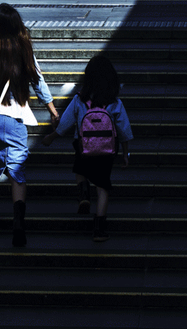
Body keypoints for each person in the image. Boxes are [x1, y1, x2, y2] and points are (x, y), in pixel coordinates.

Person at [0, 2, 59, 247]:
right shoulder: (24, 52)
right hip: (18, 116)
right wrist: (53, 111)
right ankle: (19, 222)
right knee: (17, 172)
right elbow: (39, 82)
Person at [42, 55, 133, 242]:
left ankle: (83, 192)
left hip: (83, 146)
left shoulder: (79, 100)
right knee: (103, 187)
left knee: (80, 168)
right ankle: (99, 229)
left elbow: (65, 123)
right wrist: (125, 154)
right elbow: (124, 130)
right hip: (107, 151)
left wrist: (51, 137)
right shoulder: (115, 103)